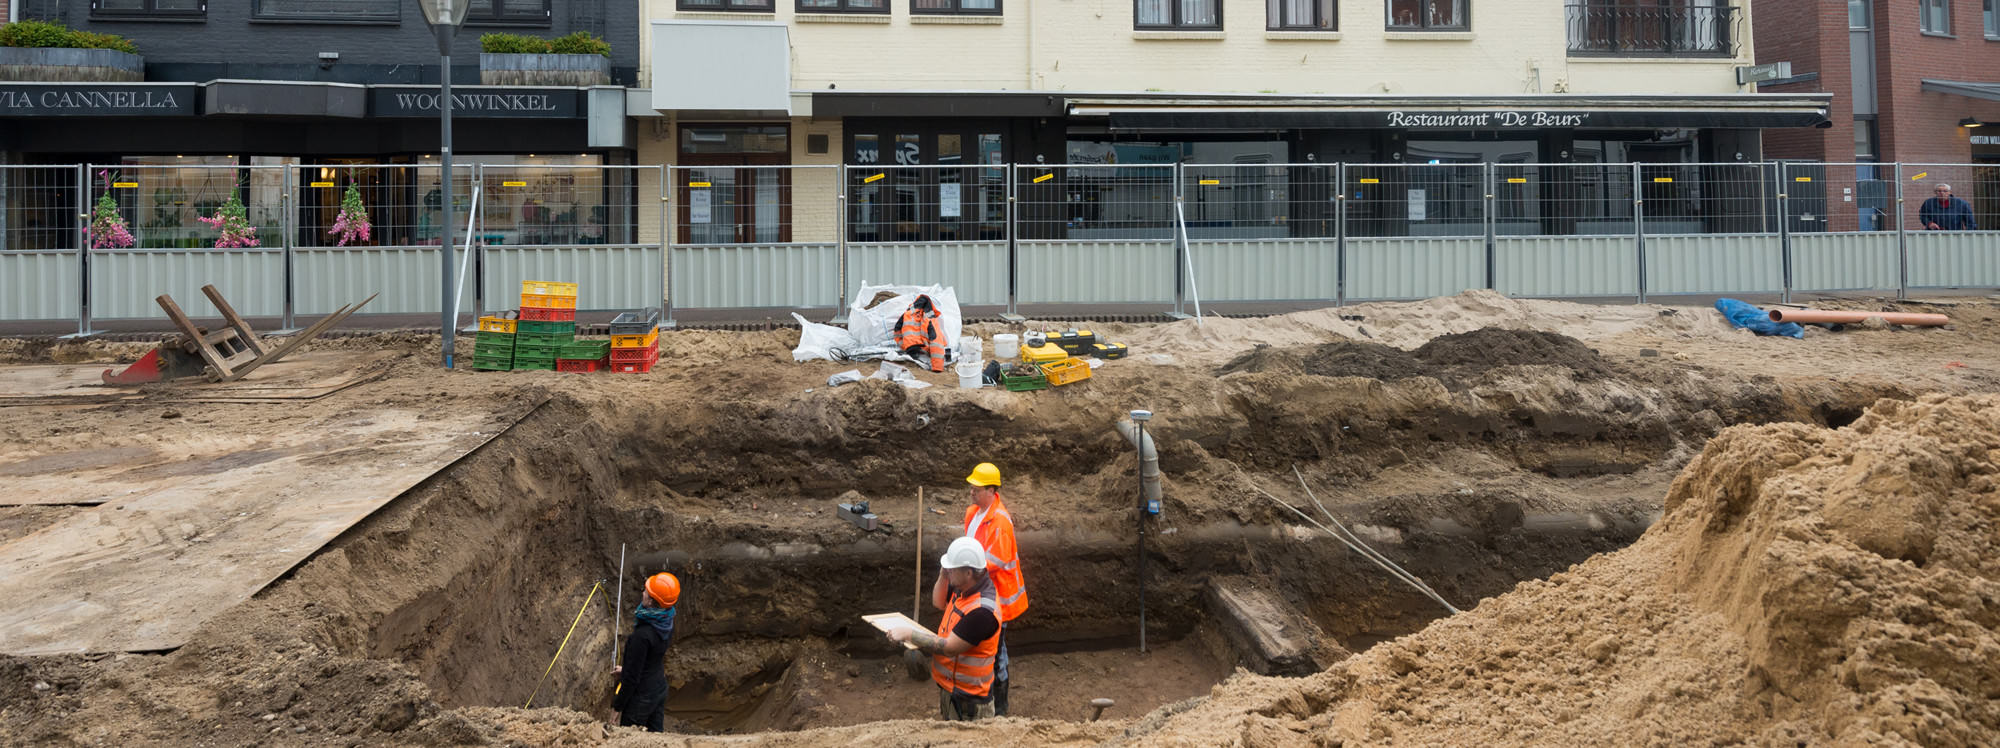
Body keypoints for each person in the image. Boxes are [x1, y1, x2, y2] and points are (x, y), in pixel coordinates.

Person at [887, 536, 1002, 721]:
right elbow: (938, 602)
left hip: (970, 701)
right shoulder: (964, 586)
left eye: (952, 568)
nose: (949, 571)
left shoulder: (982, 611)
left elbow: (949, 648)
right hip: (953, 689)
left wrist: (909, 634)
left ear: (969, 572)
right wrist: (944, 574)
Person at [963, 462, 1027, 716]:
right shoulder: (974, 514)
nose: (972, 491)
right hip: (979, 596)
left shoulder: (1000, 523)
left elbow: (993, 563)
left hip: (998, 600)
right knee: (983, 650)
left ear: (991, 490)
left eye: (977, 488)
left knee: (997, 654)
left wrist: (962, 574)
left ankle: (1000, 708)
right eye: (971, 487)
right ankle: (983, 697)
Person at [611, 572, 679, 732]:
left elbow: (632, 680)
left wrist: (616, 707)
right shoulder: (667, 620)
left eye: (646, 591)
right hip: (659, 688)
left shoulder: (641, 636)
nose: (643, 592)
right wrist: (627, 669)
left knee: (630, 739)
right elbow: (651, 658)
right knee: (656, 739)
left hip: (641, 698)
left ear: (650, 601)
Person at [896, 295, 947, 372]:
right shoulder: (930, 319)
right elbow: (936, 341)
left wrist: (904, 345)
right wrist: (937, 367)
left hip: (909, 348)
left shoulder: (907, 313)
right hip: (921, 349)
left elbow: (897, 329)